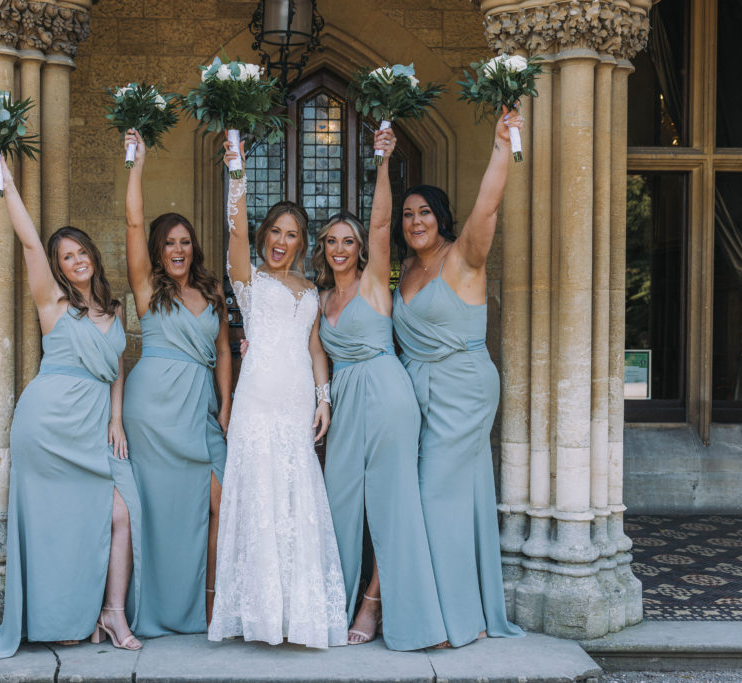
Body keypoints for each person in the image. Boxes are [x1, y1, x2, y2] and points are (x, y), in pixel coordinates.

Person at [0, 158, 142, 661]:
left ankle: (112, 611)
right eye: (66, 256)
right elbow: (26, 241)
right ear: (58, 266)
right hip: (47, 424)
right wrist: (7, 183)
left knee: (119, 513)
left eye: (81, 251)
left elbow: (117, 367)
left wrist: (115, 417)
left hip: (93, 426)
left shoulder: (116, 309)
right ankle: (60, 618)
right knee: (55, 524)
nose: (76, 260)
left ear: (92, 257)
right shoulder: (52, 303)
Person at [391, 106, 525, 648]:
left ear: (441, 218)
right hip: (418, 390)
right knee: (458, 495)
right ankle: (462, 612)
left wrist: (501, 146)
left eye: (424, 213)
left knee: (433, 497)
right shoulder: (405, 270)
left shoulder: (462, 257)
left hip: (463, 385)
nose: (415, 221)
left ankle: (450, 623)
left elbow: (488, 207)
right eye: (407, 215)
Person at [207, 137, 347, 648]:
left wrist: (324, 399)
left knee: (296, 502)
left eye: (291, 235)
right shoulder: (247, 280)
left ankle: (298, 614)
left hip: (295, 408)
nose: (281, 241)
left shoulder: (310, 290)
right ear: (265, 236)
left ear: (301, 242)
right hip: (256, 405)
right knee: (257, 502)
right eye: (275, 232)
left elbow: (314, 349)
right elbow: (235, 229)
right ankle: (257, 613)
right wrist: (238, 174)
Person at [314, 128, 446, 650]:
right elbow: (317, 361)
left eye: (349, 241)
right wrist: (321, 403)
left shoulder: (374, 283)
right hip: (344, 404)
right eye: (332, 241)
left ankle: (379, 605)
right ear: (322, 249)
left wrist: (384, 161)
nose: (342, 248)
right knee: (339, 500)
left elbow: (383, 221)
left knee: (393, 500)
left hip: (388, 393)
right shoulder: (321, 302)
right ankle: (330, 605)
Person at [120, 130, 229, 636]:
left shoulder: (211, 290)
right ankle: (155, 608)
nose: (178, 250)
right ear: (157, 250)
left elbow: (224, 350)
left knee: (218, 500)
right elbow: (133, 220)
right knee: (158, 511)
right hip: (153, 413)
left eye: (185, 242)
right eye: (169, 243)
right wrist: (137, 166)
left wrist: (225, 406)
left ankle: (209, 604)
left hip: (199, 410)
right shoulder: (147, 290)